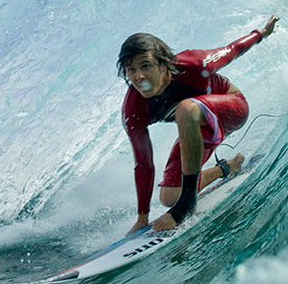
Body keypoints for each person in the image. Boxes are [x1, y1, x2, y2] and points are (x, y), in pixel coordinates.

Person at [118, 15, 279, 234]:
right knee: (168, 196)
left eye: (145, 66)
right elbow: (144, 164)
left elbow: (232, 50)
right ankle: (228, 167)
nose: (139, 76)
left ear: (164, 64)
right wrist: (142, 218)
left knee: (186, 109)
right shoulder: (134, 111)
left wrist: (261, 33)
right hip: (199, 129)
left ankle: (187, 203)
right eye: (131, 70)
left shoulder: (193, 64)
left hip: (233, 109)